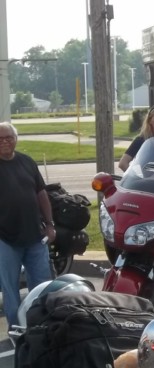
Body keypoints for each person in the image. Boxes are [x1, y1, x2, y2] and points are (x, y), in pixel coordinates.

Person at [0, 122, 55, 329]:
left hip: (35, 236)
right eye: (0, 139)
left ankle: (40, 328)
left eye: (8, 137)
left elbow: (41, 194)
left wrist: (50, 224)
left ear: (15, 139)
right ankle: (17, 330)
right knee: (10, 289)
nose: (4, 142)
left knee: (42, 287)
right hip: (5, 239)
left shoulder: (27, 162)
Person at [118, 104, 154, 172]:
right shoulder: (140, 140)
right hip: (147, 178)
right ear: (150, 121)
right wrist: (136, 176)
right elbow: (123, 163)